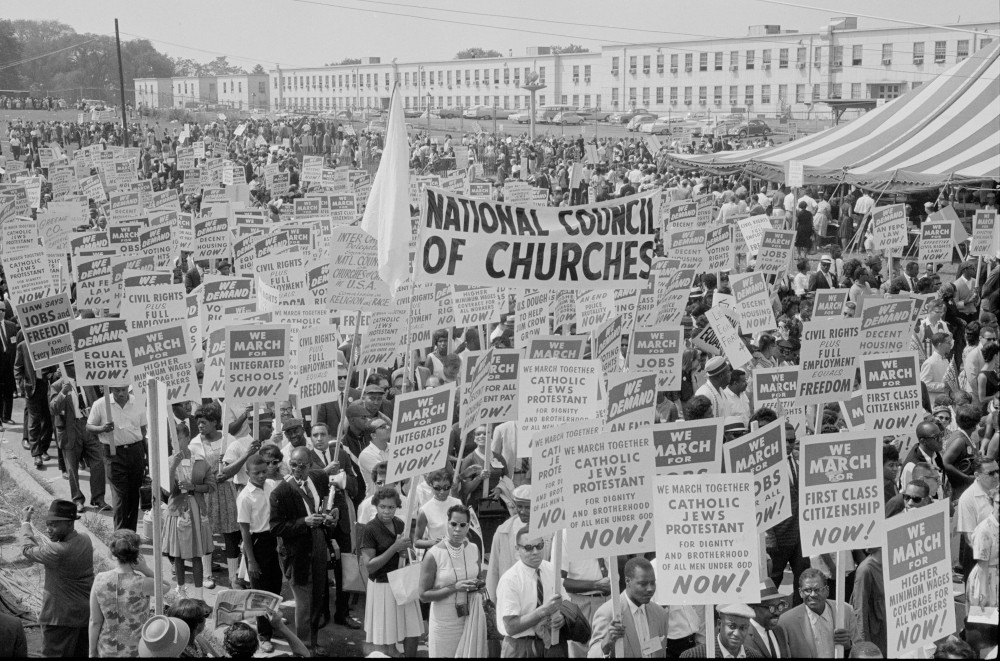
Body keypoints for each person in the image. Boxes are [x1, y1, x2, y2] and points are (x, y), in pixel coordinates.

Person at [270, 446, 335, 654]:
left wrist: (330, 517)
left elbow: (323, 506)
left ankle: (313, 642)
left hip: (317, 544)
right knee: (304, 604)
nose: (298, 469)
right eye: (294, 465)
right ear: (289, 464)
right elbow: (275, 528)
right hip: (296, 552)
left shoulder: (316, 479)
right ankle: (303, 648)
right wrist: (304, 522)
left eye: (303, 466)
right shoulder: (280, 491)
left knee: (318, 596)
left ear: (310, 465)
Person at [19, 499, 94, 657]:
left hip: (59, 620)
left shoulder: (58, 550)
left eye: (53, 524)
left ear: (69, 523)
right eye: (48, 524)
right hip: (84, 616)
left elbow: (28, 550)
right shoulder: (85, 540)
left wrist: (25, 522)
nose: (48, 529)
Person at [359, 485, 422, 657]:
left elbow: (409, 552)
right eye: (383, 507)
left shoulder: (401, 523)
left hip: (402, 582)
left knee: (412, 628)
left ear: (397, 507)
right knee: (386, 635)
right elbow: (370, 565)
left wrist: (407, 552)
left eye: (391, 507)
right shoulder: (370, 529)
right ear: (376, 506)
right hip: (382, 587)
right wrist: (395, 547)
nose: (387, 511)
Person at [419, 504, 484, 657]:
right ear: (447, 523)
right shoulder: (433, 555)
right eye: (453, 524)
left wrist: (479, 584)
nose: (457, 529)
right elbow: (423, 595)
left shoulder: (474, 548)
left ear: (468, 526)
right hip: (444, 623)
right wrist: (454, 587)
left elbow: (479, 575)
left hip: (470, 618)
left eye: (463, 525)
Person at [190, 401, 242, 589]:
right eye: (199, 422)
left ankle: (233, 576)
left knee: (230, 533)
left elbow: (238, 466)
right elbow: (193, 471)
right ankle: (207, 574)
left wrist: (227, 468)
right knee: (206, 533)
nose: (200, 426)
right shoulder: (194, 444)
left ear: (214, 422)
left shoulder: (229, 440)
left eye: (204, 422)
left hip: (227, 491)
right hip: (206, 493)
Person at [496, 525, 567, 657]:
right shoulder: (510, 580)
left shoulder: (551, 569)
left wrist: (562, 618)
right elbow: (510, 627)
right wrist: (542, 612)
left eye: (539, 546)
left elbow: (566, 603)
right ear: (517, 549)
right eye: (528, 548)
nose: (535, 552)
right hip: (521, 646)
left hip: (552, 643)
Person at [163, 421, 215, 600]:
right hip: (177, 510)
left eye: (178, 438)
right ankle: (181, 589)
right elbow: (166, 491)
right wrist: (172, 466)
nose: (174, 443)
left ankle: (199, 595)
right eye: (172, 439)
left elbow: (211, 485)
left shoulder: (199, 460)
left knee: (196, 554)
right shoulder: (168, 461)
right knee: (178, 554)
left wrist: (193, 486)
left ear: (186, 438)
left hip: (196, 509)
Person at [85, 384, 148, 531]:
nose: (121, 393)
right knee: (120, 496)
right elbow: (89, 426)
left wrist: (146, 458)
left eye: (124, 389)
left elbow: (143, 430)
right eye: (117, 390)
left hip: (136, 451)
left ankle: (131, 534)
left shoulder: (137, 402)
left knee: (133, 496)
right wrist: (102, 429)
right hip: (114, 454)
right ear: (110, 389)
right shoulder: (100, 404)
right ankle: (119, 536)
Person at [235, 453, 281, 652]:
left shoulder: (271, 485)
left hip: (274, 539)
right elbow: (244, 531)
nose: (261, 476)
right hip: (256, 542)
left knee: (275, 586)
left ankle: (272, 621)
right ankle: (263, 635)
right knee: (259, 591)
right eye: (257, 473)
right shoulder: (245, 496)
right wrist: (251, 560)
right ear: (248, 473)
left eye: (264, 471)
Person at [88, 529, 156, 657]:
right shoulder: (143, 583)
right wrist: (145, 569)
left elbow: (95, 621)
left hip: (107, 648)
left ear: (112, 551)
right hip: (136, 649)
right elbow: (165, 586)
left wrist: (92, 651)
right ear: (137, 554)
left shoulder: (100, 579)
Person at [49, 368, 107, 512]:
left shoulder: (87, 379)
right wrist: (63, 393)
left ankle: (98, 498)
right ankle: (77, 500)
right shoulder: (57, 385)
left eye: (75, 363)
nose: (74, 367)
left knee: (98, 461)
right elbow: (53, 408)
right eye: (70, 365)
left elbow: (96, 401)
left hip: (87, 425)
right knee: (72, 467)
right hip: (70, 428)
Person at [587, 556, 669, 658]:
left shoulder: (659, 613)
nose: (650, 589)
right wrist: (606, 644)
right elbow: (592, 655)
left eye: (653, 583)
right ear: (627, 581)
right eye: (643, 584)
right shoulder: (608, 612)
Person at [777, 568, 862, 657]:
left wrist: (849, 645)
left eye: (818, 590)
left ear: (827, 590)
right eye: (807, 590)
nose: (813, 594)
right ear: (800, 593)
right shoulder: (786, 622)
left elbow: (860, 649)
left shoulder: (845, 611)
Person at [487, 484, 550, 602]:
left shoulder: (549, 532)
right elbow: (493, 569)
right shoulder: (503, 531)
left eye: (528, 507)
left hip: (540, 595)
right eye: (519, 506)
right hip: (511, 593)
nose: (522, 511)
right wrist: (492, 600)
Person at [956, 456, 1000, 580]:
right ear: (977, 475)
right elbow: (970, 539)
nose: (996, 476)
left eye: (998, 471)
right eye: (991, 473)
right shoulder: (967, 499)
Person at [681, 603, 758, 658]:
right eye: (732, 626)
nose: (737, 633)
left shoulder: (754, 655)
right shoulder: (693, 655)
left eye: (742, 628)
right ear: (719, 623)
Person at [415, 468, 463, 552]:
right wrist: (433, 543)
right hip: (436, 554)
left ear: (451, 485)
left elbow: (467, 532)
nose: (442, 492)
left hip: (457, 552)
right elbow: (416, 541)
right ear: (431, 485)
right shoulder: (424, 510)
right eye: (437, 488)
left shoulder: (457, 503)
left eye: (446, 487)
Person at [850, 547, 886, 657]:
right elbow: (859, 609)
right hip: (875, 634)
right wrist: (864, 646)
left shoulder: (893, 564)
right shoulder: (866, 570)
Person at [966, 489, 999, 608]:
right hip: (987, 579)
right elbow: (982, 565)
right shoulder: (984, 529)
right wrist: (984, 594)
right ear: (992, 502)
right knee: (985, 624)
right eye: (998, 503)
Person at [744, 580, 790, 658]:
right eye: (771, 608)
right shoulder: (744, 636)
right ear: (753, 607)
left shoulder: (779, 630)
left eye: (779, 606)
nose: (777, 612)